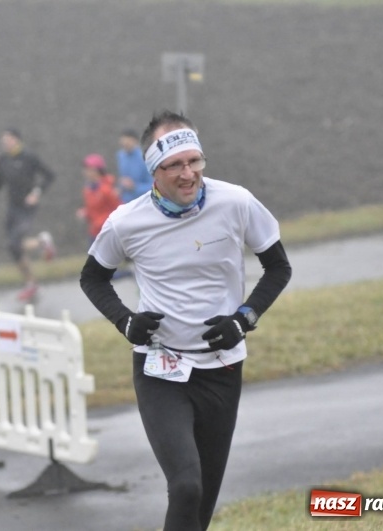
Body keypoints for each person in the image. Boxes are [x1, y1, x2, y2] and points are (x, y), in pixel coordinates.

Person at [80, 110, 292, 530]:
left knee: (202, 508)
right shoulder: (127, 221)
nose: (187, 173)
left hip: (222, 367)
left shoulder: (236, 202)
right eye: (174, 165)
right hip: (160, 368)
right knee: (186, 487)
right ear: (153, 172)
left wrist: (244, 318)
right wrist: (126, 322)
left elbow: (278, 268)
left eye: (194, 161)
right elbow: (93, 278)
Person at [0, 128, 56, 302]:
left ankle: (42, 242)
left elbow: (50, 176)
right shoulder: (2, 160)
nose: (4, 143)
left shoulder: (29, 157)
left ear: (17, 140)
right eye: (3, 140)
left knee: (15, 243)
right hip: (12, 208)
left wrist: (36, 193)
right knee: (13, 248)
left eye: (8, 139)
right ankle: (31, 281)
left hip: (27, 207)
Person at [75, 153, 121, 243]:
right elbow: (92, 210)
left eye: (88, 169)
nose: (85, 172)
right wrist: (85, 212)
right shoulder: (87, 190)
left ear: (96, 171)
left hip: (109, 232)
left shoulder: (107, 189)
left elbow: (118, 209)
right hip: (94, 232)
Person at [116, 128, 154, 204]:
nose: (125, 145)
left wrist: (135, 187)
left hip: (143, 202)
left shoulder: (145, 158)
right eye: (123, 143)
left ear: (135, 141)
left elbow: (153, 185)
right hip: (125, 202)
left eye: (128, 142)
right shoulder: (121, 155)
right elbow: (124, 178)